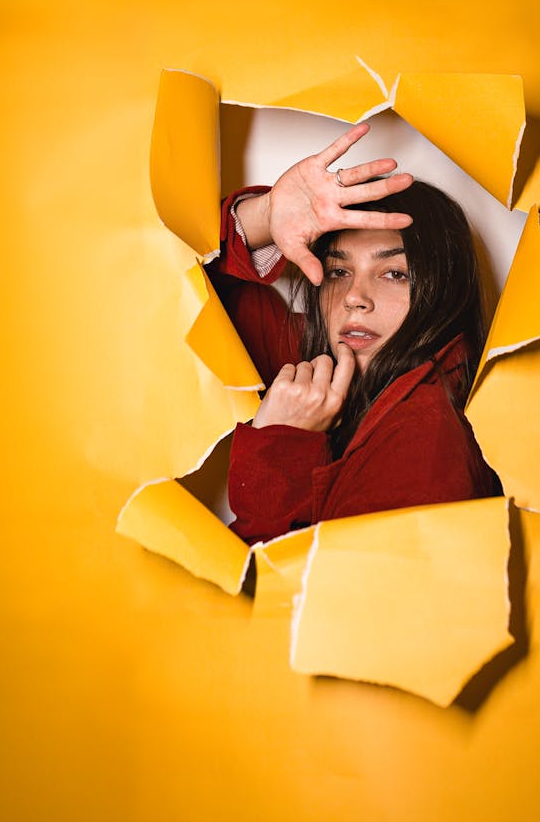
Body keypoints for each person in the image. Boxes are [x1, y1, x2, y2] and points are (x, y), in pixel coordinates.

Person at [209, 122, 502, 545]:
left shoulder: (424, 453)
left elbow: (277, 602)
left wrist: (282, 442)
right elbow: (182, 296)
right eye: (339, 271)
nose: (354, 298)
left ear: (444, 289)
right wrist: (269, 215)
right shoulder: (330, 356)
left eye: (395, 273)